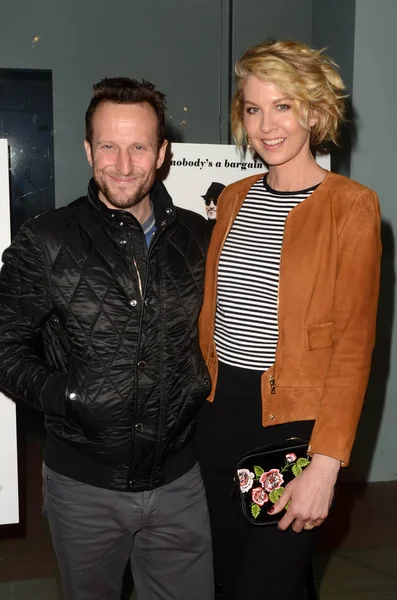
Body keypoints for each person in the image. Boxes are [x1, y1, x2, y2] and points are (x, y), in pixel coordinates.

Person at [0, 77, 214, 600]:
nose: (123, 164)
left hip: (181, 482)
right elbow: (3, 345)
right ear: (88, 149)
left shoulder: (199, 236)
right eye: (109, 146)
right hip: (83, 489)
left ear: (163, 153)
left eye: (139, 146)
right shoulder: (46, 239)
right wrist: (65, 395)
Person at [196, 40, 381, 599]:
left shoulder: (350, 206)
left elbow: (352, 347)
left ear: (316, 113)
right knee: (229, 578)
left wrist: (324, 467)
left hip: (294, 423)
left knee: (268, 580)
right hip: (218, 414)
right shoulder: (231, 198)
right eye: (253, 108)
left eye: (284, 106)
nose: (266, 124)